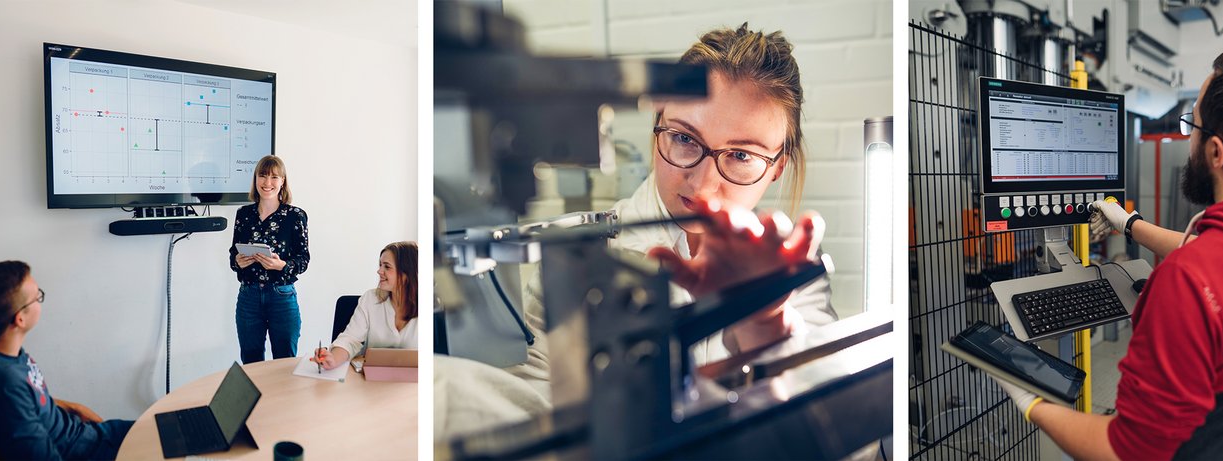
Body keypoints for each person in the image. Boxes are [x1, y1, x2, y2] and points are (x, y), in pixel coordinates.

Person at [990, 48, 1223, 461]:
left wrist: (1032, 401)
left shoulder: (1189, 280)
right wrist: (1130, 224)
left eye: (1191, 124)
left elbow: (1127, 452)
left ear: (1217, 152)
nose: (1189, 137)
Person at [498, 23, 838, 402]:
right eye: (685, 139)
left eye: (741, 155)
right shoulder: (576, 255)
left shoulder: (792, 272)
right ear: (657, 127)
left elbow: (831, 425)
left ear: (777, 167)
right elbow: (529, 402)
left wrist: (765, 321)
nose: (704, 185)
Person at [0, 261, 135, 460]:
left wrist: (72, 407)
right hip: (84, 453)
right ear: (20, 319)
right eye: (37, 297)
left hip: (89, 435)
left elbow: (31, 399)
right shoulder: (4, 386)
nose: (40, 300)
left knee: (170, 425)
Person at [229, 155, 311, 364]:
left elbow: (303, 260)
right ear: (255, 179)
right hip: (249, 295)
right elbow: (232, 254)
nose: (267, 183)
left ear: (283, 181)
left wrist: (281, 265)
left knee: (284, 363)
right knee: (251, 362)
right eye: (262, 176)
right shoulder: (244, 214)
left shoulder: (295, 215)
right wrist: (238, 261)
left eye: (274, 177)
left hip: (281, 296)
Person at [311, 241, 419, 370]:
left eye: (387, 267)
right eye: (380, 265)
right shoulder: (370, 299)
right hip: (371, 381)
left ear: (407, 273)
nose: (379, 271)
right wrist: (333, 359)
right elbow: (350, 339)